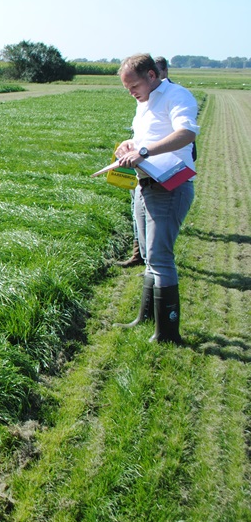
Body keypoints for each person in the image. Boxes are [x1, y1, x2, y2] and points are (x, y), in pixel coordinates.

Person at [113, 54, 198, 344]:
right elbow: (145, 139)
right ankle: (145, 318)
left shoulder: (176, 95)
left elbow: (186, 133)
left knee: (161, 257)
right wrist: (130, 145)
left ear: (151, 75)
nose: (131, 92)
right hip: (144, 184)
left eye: (133, 85)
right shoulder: (143, 103)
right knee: (149, 257)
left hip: (170, 187)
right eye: (127, 89)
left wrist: (145, 152)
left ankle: (168, 334)